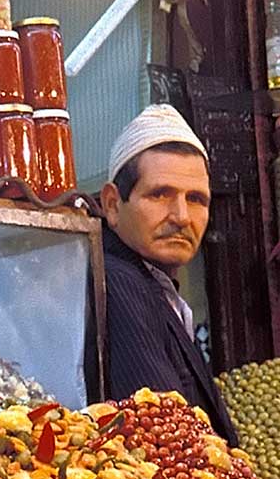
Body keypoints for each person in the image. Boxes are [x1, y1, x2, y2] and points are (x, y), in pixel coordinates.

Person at [94, 103, 238, 445]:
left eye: (197, 200)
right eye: (160, 194)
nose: (182, 216)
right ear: (113, 205)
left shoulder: (157, 288)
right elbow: (167, 438)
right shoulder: (118, 281)